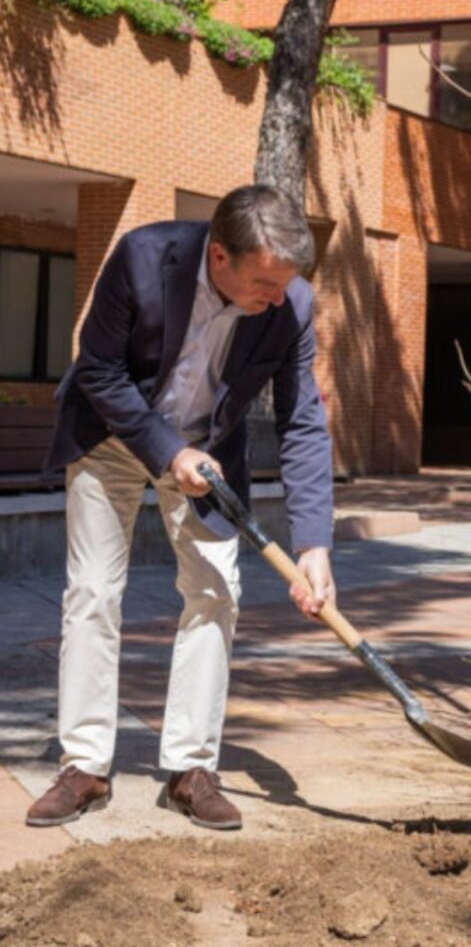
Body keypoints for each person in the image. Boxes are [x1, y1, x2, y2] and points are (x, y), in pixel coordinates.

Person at [26, 184, 336, 830]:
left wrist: (313, 546)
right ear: (219, 255)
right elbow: (100, 372)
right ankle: (84, 764)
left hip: (211, 451)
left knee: (217, 592)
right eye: (263, 282)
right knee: (91, 592)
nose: (276, 298)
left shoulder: (292, 303)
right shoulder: (143, 257)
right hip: (112, 434)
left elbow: (303, 420)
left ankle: (191, 767)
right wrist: (168, 451)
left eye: (285, 286)